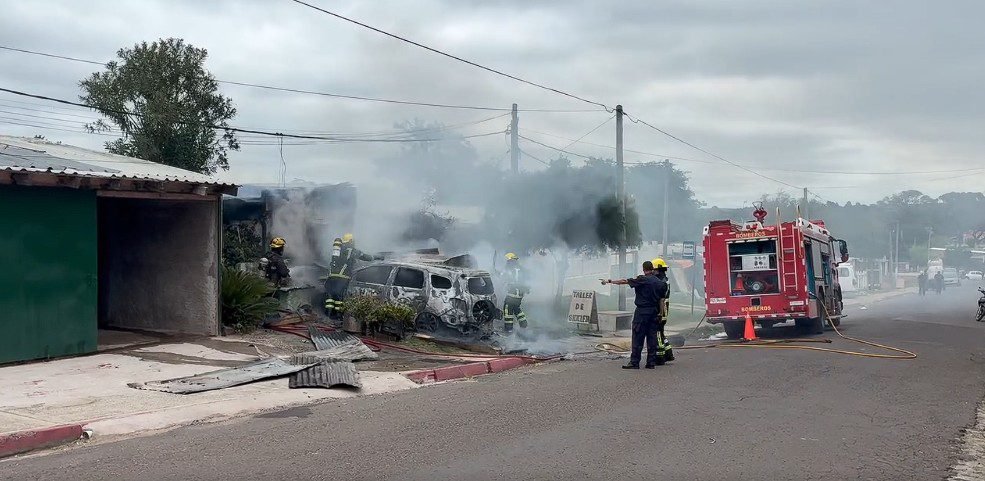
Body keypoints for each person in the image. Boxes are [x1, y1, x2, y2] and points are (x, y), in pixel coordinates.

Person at [603, 260, 669, 369]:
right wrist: (660, 314)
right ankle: (651, 363)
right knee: (652, 338)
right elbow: (662, 300)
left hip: (642, 312)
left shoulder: (641, 280)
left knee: (638, 337)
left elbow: (624, 281)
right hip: (654, 312)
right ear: (652, 269)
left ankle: (635, 362)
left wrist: (610, 281)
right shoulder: (660, 283)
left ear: (643, 269)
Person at [324, 233, 377, 318]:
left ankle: (328, 314)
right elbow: (365, 257)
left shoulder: (338, 249)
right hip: (343, 276)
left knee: (330, 296)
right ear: (351, 241)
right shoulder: (352, 250)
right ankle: (338, 316)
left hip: (332, 276)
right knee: (339, 297)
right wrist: (376, 257)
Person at [650, 258, 675, 362]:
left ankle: (660, 355)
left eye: (654, 270)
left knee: (658, 331)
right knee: (661, 331)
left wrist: (660, 312)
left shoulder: (661, 281)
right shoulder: (664, 279)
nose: (652, 272)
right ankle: (669, 353)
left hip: (662, 307)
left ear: (658, 269)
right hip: (665, 307)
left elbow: (661, 298)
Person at [501, 253, 531, 333]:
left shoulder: (509, 268)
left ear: (510, 260)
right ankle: (524, 326)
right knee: (516, 308)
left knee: (507, 309)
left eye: (508, 260)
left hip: (512, 294)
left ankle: (509, 329)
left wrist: (495, 272)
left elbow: (502, 276)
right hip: (520, 295)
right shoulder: (521, 269)